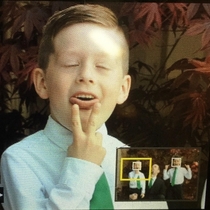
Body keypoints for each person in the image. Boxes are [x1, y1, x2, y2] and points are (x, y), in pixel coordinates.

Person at [0, 4, 168, 210]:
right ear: (43, 83)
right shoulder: (20, 161)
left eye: (102, 66)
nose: (86, 75)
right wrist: (81, 167)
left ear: (123, 89)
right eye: (71, 63)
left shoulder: (135, 162)